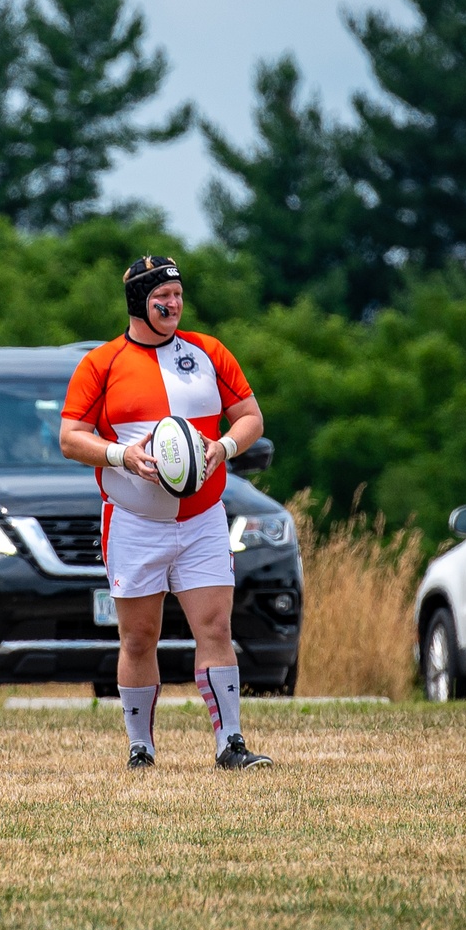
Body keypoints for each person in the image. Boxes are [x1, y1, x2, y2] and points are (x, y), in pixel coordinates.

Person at [60, 255, 273, 771]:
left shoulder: (208, 352)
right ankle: (141, 748)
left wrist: (222, 448)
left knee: (216, 628)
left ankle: (231, 744)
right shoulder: (102, 363)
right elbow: (70, 437)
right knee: (138, 636)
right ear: (139, 300)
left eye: (178, 295)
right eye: (163, 296)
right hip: (134, 521)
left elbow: (250, 416)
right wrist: (121, 455)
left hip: (202, 519)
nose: (173, 304)